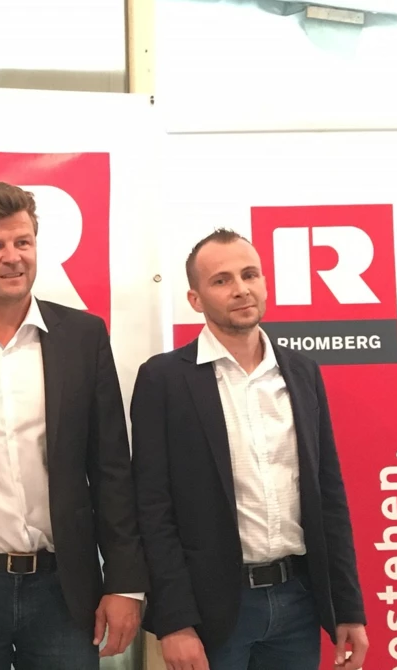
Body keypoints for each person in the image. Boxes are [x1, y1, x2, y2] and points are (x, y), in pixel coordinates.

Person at [0, 182, 149, 669]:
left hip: (63, 587)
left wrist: (124, 582)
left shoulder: (83, 336)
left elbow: (111, 469)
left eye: (23, 242)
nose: (12, 257)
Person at [129, 228, 369, 670]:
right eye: (221, 280)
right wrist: (175, 622)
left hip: (297, 602)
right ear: (196, 298)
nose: (240, 289)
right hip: (212, 612)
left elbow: (328, 496)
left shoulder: (302, 373)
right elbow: (152, 510)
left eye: (249, 274)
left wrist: (347, 607)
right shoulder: (164, 379)